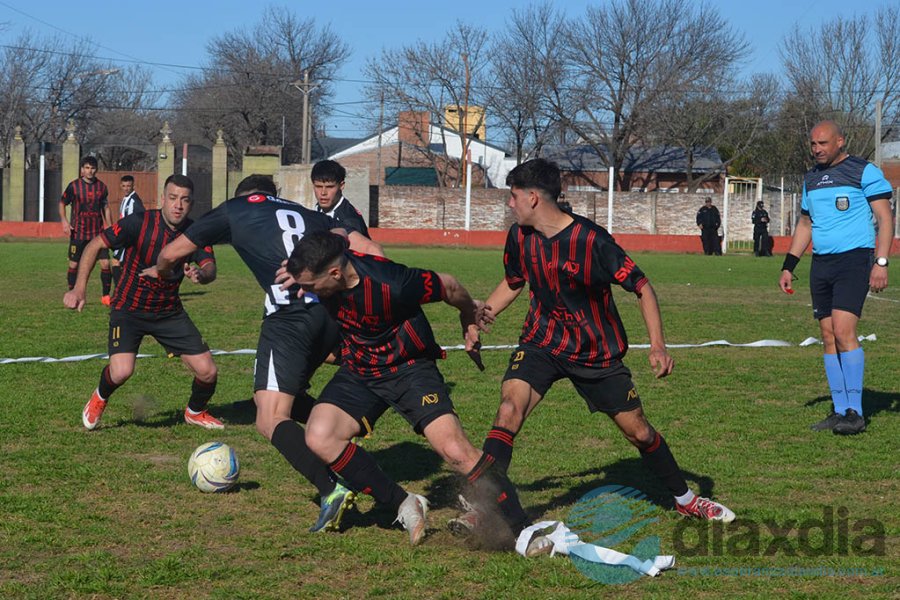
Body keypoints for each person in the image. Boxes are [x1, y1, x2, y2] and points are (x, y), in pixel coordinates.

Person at [476, 158, 735, 523]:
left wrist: (658, 345)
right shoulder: (520, 236)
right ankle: (484, 505)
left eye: (513, 196)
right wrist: (481, 316)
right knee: (508, 410)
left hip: (595, 353)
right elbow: (514, 281)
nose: (509, 203)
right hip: (542, 342)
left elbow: (642, 287)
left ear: (533, 198)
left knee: (639, 433)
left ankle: (685, 498)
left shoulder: (591, 240)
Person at [285, 231, 551, 556]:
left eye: (310, 286)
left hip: (410, 369)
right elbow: (337, 232)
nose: (305, 291)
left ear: (336, 273)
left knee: (455, 451)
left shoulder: (392, 283)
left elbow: (449, 285)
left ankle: (522, 530)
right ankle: (404, 502)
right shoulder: (322, 272)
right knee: (319, 436)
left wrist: (469, 314)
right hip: (361, 369)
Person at [155, 174, 384, 533]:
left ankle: (332, 488)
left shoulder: (235, 210)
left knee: (269, 417)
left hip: (291, 321)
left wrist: (163, 271)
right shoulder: (305, 211)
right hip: (331, 317)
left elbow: (171, 252)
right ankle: (346, 431)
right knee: (286, 397)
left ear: (244, 197)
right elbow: (371, 251)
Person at [63, 174, 224, 431]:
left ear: (191, 204)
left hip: (168, 313)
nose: (178, 205)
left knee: (208, 372)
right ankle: (100, 396)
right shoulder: (139, 222)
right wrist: (79, 288)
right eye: (172, 198)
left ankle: (195, 411)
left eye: (184, 200)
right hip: (129, 310)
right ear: (163, 199)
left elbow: (210, 269)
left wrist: (200, 275)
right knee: (121, 372)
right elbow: (95, 244)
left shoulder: (196, 232)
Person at [779, 120, 894, 435]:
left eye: (823, 143)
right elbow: (805, 224)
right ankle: (840, 408)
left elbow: (885, 217)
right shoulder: (811, 179)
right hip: (822, 264)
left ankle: (856, 412)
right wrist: (789, 265)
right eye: (813, 144)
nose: (817, 149)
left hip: (854, 261)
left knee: (844, 331)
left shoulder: (863, 171)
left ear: (840, 142)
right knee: (828, 335)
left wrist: (881, 262)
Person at [59, 156, 113, 305]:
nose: (89, 171)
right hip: (79, 233)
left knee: (105, 264)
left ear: (96, 170)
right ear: (82, 169)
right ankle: (72, 292)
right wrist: (64, 221)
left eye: (92, 168)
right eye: (87, 168)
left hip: (98, 234)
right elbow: (62, 203)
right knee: (74, 265)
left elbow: (106, 207)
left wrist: (109, 225)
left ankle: (106, 297)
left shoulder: (102, 187)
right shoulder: (74, 186)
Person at [311, 159, 370, 237]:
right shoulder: (318, 208)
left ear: (341, 186)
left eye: (330, 187)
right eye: (318, 186)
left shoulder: (349, 221)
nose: (323, 192)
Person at [111, 175, 145, 287]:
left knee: (118, 262)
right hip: (123, 236)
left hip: (128, 239)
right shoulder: (126, 199)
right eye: (124, 186)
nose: (126, 188)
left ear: (133, 186)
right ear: (121, 186)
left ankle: (120, 290)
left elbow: (141, 219)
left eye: (128, 186)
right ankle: (124, 289)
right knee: (124, 264)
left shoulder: (135, 201)